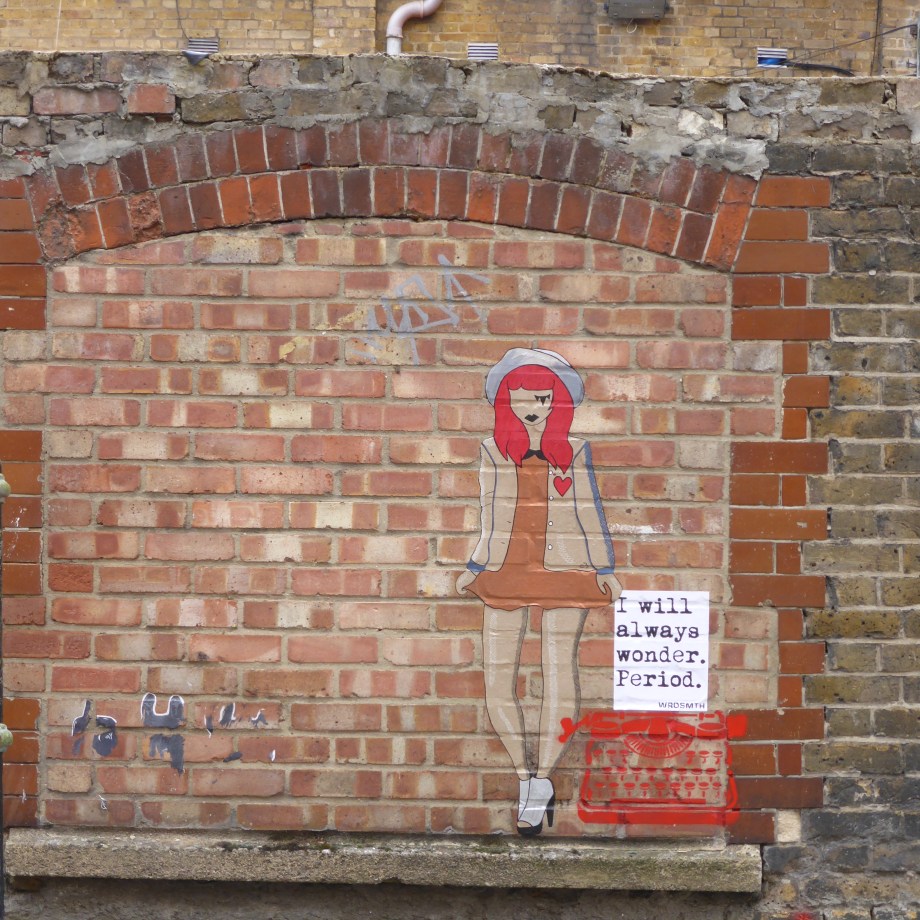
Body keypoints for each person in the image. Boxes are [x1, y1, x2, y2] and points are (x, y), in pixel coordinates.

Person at [456, 348, 622, 835]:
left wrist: (604, 567)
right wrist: (475, 565)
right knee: (497, 679)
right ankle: (524, 776)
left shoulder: (575, 450)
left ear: (558, 403)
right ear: (506, 401)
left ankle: (543, 778)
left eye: (544, 398)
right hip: (505, 568)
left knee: (558, 674)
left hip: (568, 568)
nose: (534, 408)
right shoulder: (493, 450)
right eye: (524, 398)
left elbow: (589, 509)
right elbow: (489, 512)